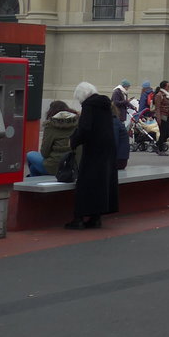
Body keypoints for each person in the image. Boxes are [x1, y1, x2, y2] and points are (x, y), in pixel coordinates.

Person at [66, 82, 118, 229]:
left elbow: (84, 128)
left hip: (93, 149)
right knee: (100, 183)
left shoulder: (89, 106)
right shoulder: (105, 104)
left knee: (85, 183)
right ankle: (96, 217)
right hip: (107, 149)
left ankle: (79, 218)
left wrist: (73, 141)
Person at [25, 100, 80, 177]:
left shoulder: (50, 125)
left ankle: (34, 180)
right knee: (33, 168)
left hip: (54, 166)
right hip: (72, 164)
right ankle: (34, 177)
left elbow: (44, 153)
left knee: (30, 155)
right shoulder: (78, 123)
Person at [152, 80, 169, 155]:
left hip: (168, 116)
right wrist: (158, 118)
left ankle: (157, 144)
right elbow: (157, 108)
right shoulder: (159, 95)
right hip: (162, 116)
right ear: (164, 87)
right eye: (168, 86)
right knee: (163, 133)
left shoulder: (168, 94)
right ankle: (160, 150)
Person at [113, 103, 131, 171]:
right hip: (122, 159)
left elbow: (114, 142)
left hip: (118, 159)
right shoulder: (116, 121)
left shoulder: (113, 123)